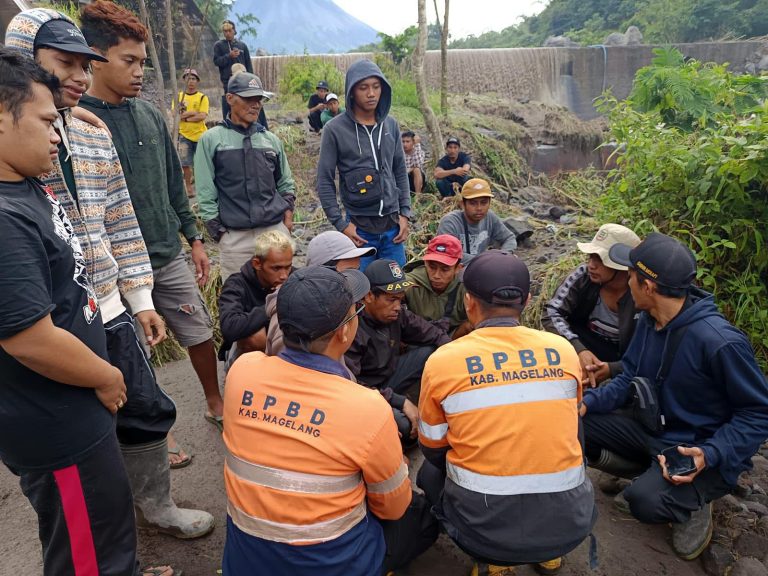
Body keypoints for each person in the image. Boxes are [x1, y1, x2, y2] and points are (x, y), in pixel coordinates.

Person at [8, 3, 215, 538]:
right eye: (66, 64)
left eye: (85, 65)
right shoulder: (18, 147)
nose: (80, 76)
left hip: (107, 302)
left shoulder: (93, 134)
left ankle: (152, 509)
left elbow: (119, 220)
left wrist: (140, 299)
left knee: (142, 405)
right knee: (77, 434)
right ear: (23, 61)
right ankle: (100, 532)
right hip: (46, 317)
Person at [0, 46, 166, 576]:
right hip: (56, 423)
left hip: (75, 413)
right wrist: (106, 375)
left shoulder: (26, 185)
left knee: (105, 528)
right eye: (46, 122)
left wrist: (80, 113)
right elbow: (28, 338)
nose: (57, 134)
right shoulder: (5, 220)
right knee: (87, 552)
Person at [222, 265, 438, 574]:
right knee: (421, 515)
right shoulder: (366, 406)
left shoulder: (242, 371)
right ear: (344, 332)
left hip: (246, 561)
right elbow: (393, 508)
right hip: (333, 564)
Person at [79, 0, 224, 432]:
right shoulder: (80, 123)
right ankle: (153, 434)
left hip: (166, 252)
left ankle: (214, 400)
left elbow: (173, 184)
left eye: (142, 62)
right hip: (115, 269)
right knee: (131, 351)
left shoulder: (149, 115)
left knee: (198, 330)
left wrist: (194, 238)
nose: (140, 71)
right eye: (129, 61)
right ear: (96, 58)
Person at [581, 232, 768, 560]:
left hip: (696, 446)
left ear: (648, 287)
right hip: (654, 427)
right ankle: (652, 473)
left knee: (643, 503)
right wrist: (585, 403)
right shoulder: (649, 318)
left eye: (631, 276)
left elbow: (758, 412)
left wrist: (710, 454)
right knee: (574, 423)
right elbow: (629, 376)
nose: (627, 283)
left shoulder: (718, 342)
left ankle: (696, 498)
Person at [418, 251, 597, 576]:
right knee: (572, 423)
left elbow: (432, 447)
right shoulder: (563, 350)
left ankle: (494, 562)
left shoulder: (444, 360)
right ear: (526, 301)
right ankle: (549, 552)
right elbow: (571, 427)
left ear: (469, 302)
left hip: (483, 532)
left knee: (429, 474)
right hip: (571, 526)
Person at [195, 71, 295, 281]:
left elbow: (285, 183)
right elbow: (205, 190)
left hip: (274, 232)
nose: (255, 105)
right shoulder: (212, 140)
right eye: (249, 99)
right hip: (235, 238)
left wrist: (287, 218)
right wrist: (219, 232)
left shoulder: (271, 140)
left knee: (281, 291)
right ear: (230, 98)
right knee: (238, 294)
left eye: (258, 100)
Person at [317, 59, 411, 270]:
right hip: (359, 230)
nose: (371, 94)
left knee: (396, 285)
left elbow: (399, 171)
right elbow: (324, 179)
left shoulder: (390, 125)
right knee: (359, 285)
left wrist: (405, 213)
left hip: (393, 228)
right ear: (351, 91)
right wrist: (341, 224)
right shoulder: (335, 129)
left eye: (376, 87)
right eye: (363, 88)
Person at [346, 259, 451, 443]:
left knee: (433, 351)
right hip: (365, 395)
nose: (397, 306)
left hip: (391, 378)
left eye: (400, 299)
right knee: (403, 424)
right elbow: (349, 387)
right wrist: (399, 401)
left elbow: (433, 334)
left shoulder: (398, 314)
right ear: (369, 296)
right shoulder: (353, 328)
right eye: (391, 299)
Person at [543, 223, 640, 387]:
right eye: (591, 257)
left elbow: (649, 349)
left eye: (600, 259)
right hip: (584, 343)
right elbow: (551, 312)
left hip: (624, 359)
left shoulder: (641, 293)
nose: (591, 265)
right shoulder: (583, 277)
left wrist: (612, 369)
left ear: (621, 266)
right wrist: (579, 349)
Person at [263, 230, 376, 357]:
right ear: (322, 272)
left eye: (357, 270)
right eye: (347, 273)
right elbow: (292, 365)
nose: (354, 279)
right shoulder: (295, 317)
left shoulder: (334, 303)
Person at [219, 230, 294, 365]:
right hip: (247, 356)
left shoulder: (296, 277)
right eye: (276, 268)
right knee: (256, 338)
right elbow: (230, 328)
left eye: (288, 267)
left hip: (287, 345)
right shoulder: (237, 284)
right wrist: (274, 303)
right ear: (257, 264)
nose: (284, 275)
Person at [437, 178, 516, 263]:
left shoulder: (490, 217)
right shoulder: (450, 222)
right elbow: (448, 252)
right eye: (473, 203)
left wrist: (504, 256)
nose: (479, 208)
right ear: (463, 204)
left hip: (481, 265)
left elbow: (509, 238)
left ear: (489, 203)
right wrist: (486, 261)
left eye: (484, 203)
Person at [405, 234, 470, 337]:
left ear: (458, 268)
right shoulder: (409, 283)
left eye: (445, 269)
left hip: (455, 340)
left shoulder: (468, 288)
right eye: (432, 267)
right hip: (416, 338)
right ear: (425, 263)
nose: (436, 275)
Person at [173, 68, 208, 198]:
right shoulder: (179, 97)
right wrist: (193, 112)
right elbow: (176, 114)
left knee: (201, 163)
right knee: (185, 164)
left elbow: (202, 116)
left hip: (200, 135)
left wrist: (186, 117)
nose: (191, 81)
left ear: (197, 81)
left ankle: (202, 187)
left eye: (193, 79)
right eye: (188, 78)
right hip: (184, 135)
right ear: (184, 80)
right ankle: (188, 187)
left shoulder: (202, 97)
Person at [213, 19, 252, 120]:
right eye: (225, 31)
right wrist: (228, 56)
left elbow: (248, 64)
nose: (228, 33)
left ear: (234, 31)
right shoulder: (219, 45)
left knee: (243, 102)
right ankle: (229, 122)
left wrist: (251, 79)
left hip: (243, 80)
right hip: (228, 81)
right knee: (230, 102)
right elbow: (217, 61)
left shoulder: (242, 45)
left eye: (230, 31)